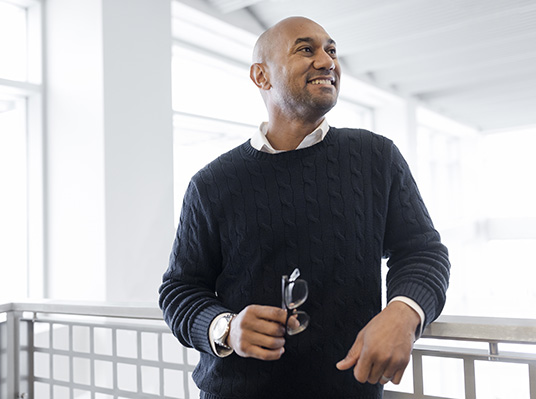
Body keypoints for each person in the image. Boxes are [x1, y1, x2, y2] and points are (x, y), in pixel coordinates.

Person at [159, 16, 450, 398]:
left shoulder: (376, 157)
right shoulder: (212, 183)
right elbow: (180, 289)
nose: (327, 61)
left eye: (331, 50)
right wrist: (225, 326)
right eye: (306, 50)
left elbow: (422, 252)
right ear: (261, 77)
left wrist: (404, 312)